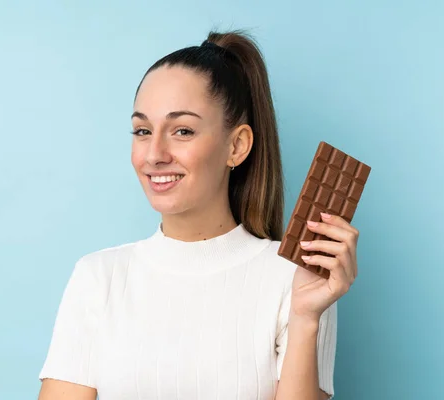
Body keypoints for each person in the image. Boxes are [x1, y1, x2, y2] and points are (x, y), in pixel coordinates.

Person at [37, 30, 359, 400]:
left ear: (236, 146)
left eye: (183, 131)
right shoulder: (99, 278)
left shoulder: (297, 280)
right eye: (142, 130)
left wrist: (305, 319)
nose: (154, 153)